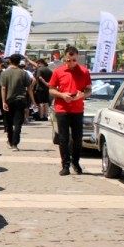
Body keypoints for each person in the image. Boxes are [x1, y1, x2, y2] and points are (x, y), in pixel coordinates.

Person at [49, 45, 92, 176]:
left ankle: (76, 162)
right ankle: (65, 165)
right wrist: (62, 95)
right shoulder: (58, 71)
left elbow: (89, 90)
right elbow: (51, 89)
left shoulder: (84, 72)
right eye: (68, 60)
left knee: (77, 138)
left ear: (77, 58)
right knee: (63, 138)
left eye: (73, 60)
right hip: (62, 109)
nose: (71, 63)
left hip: (77, 109)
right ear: (64, 58)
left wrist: (82, 95)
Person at [0, 54, 34, 150]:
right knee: (18, 123)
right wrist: (33, 100)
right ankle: (15, 144)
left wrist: (3, 102)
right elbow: (29, 88)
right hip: (20, 100)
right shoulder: (23, 73)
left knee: (9, 123)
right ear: (19, 62)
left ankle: (10, 141)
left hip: (8, 100)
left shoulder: (4, 73)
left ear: (10, 61)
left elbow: (3, 88)